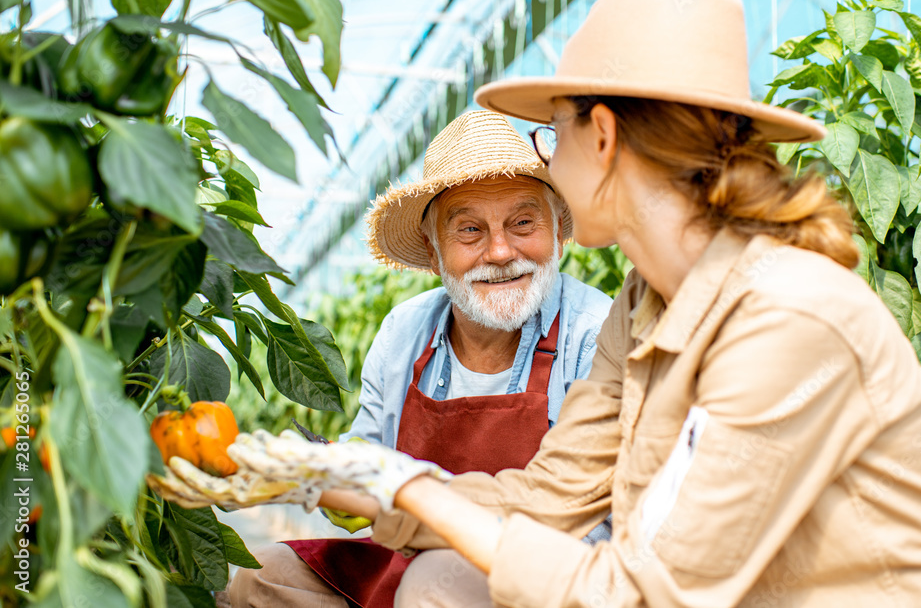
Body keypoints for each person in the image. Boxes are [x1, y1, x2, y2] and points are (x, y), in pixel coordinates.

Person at [156, 0, 921, 606]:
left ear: (601, 135)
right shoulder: (646, 303)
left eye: (549, 129)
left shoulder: (787, 317)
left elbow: (644, 592)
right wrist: (340, 473)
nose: (546, 153)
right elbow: (547, 493)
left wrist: (402, 484)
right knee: (432, 578)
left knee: (442, 583)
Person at [170, 110, 613, 608]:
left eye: (523, 222)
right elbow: (367, 459)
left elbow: (596, 525)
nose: (500, 250)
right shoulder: (405, 331)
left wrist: (442, 535)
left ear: (556, 231)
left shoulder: (595, 334)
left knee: (437, 579)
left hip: (533, 572)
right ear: (433, 249)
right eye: (469, 230)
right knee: (261, 577)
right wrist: (310, 475)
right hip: (406, 553)